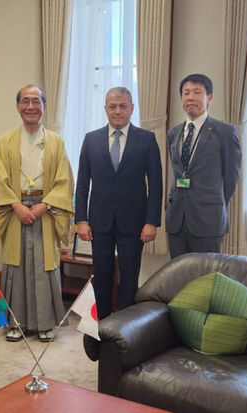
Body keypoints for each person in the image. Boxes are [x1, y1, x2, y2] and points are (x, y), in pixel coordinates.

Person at [0, 85, 73, 342]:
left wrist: (43, 206)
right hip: (15, 211)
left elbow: (64, 180)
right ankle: (17, 323)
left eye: (36, 101)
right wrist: (17, 206)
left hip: (45, 210)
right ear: (18, 107)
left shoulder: (56, 142)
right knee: (15, 267)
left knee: (45, 266)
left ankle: (46, 323)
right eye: (25, 101)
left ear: (44, 106)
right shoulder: (5, 141)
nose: (30, 107)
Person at [75, 87, 163, 320]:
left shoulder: (146, 139)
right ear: (105, 109)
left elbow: (156, 184)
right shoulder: (91, 139)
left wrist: (151, 221)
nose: (117, 111)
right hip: (99, 221)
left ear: (132, 108)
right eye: (112, 106)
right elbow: (82, 183)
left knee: (129, 277)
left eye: (123, 106)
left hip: (134, 222)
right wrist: (81, 219)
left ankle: (125, 327)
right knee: (101, 275)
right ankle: (102, 324)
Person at [165, 73, 241, 258]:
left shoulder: (224, 132)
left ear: (209, 98)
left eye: (197, 92)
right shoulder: (173, 133)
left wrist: (214, 203)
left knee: (206, 272)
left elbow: (231, 177)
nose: (190, 97)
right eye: (186, 93)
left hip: (208, 219)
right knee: (178, 272)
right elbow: (178, 170)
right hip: (177, 220)